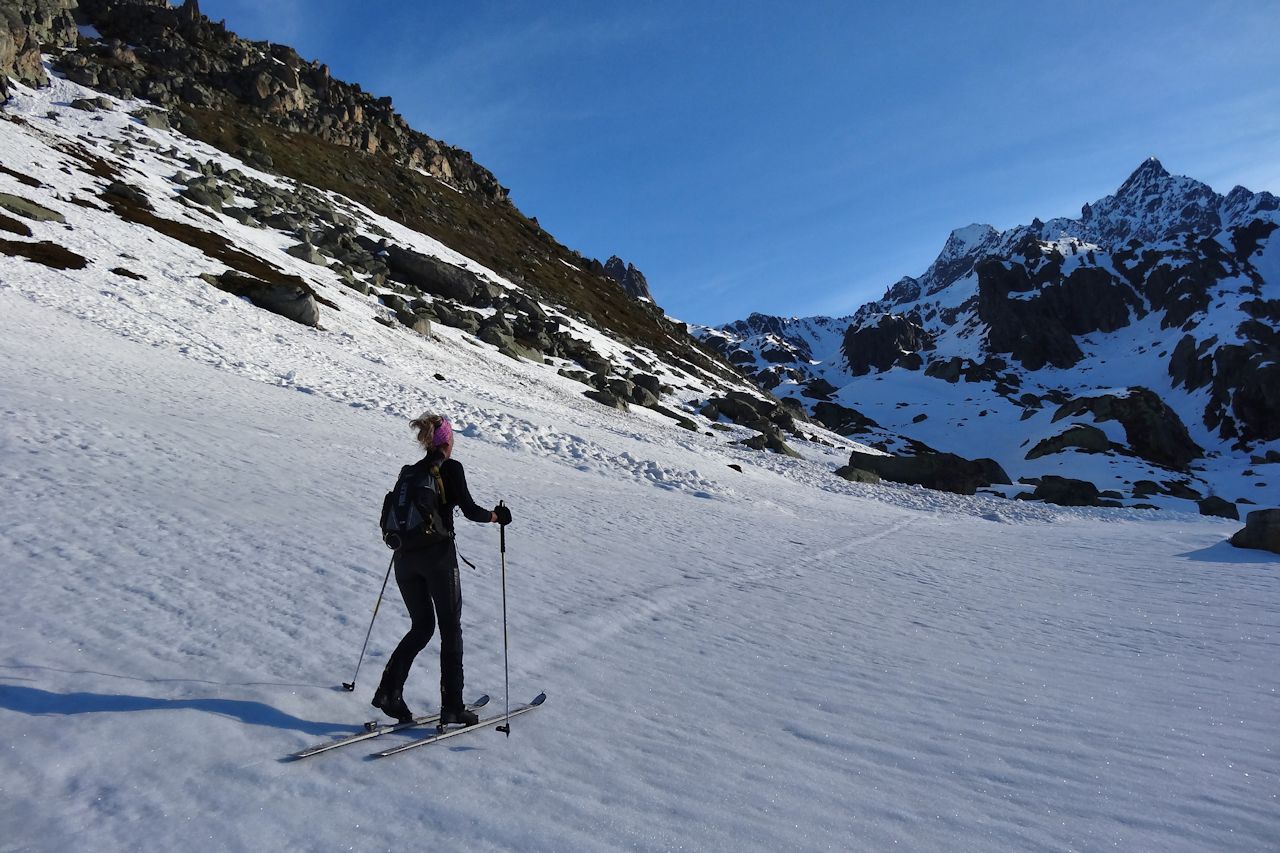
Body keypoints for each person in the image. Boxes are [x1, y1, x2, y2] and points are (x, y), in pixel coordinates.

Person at [372, 413, 512, 726]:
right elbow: (471, 510)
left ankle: (388, 691)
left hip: (404, 559)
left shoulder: (410, 472)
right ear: (447, 441)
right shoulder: (450, 467)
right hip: (437, 559)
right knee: (450, 629)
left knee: (421, 626)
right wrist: (497, 516)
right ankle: (452, 705)